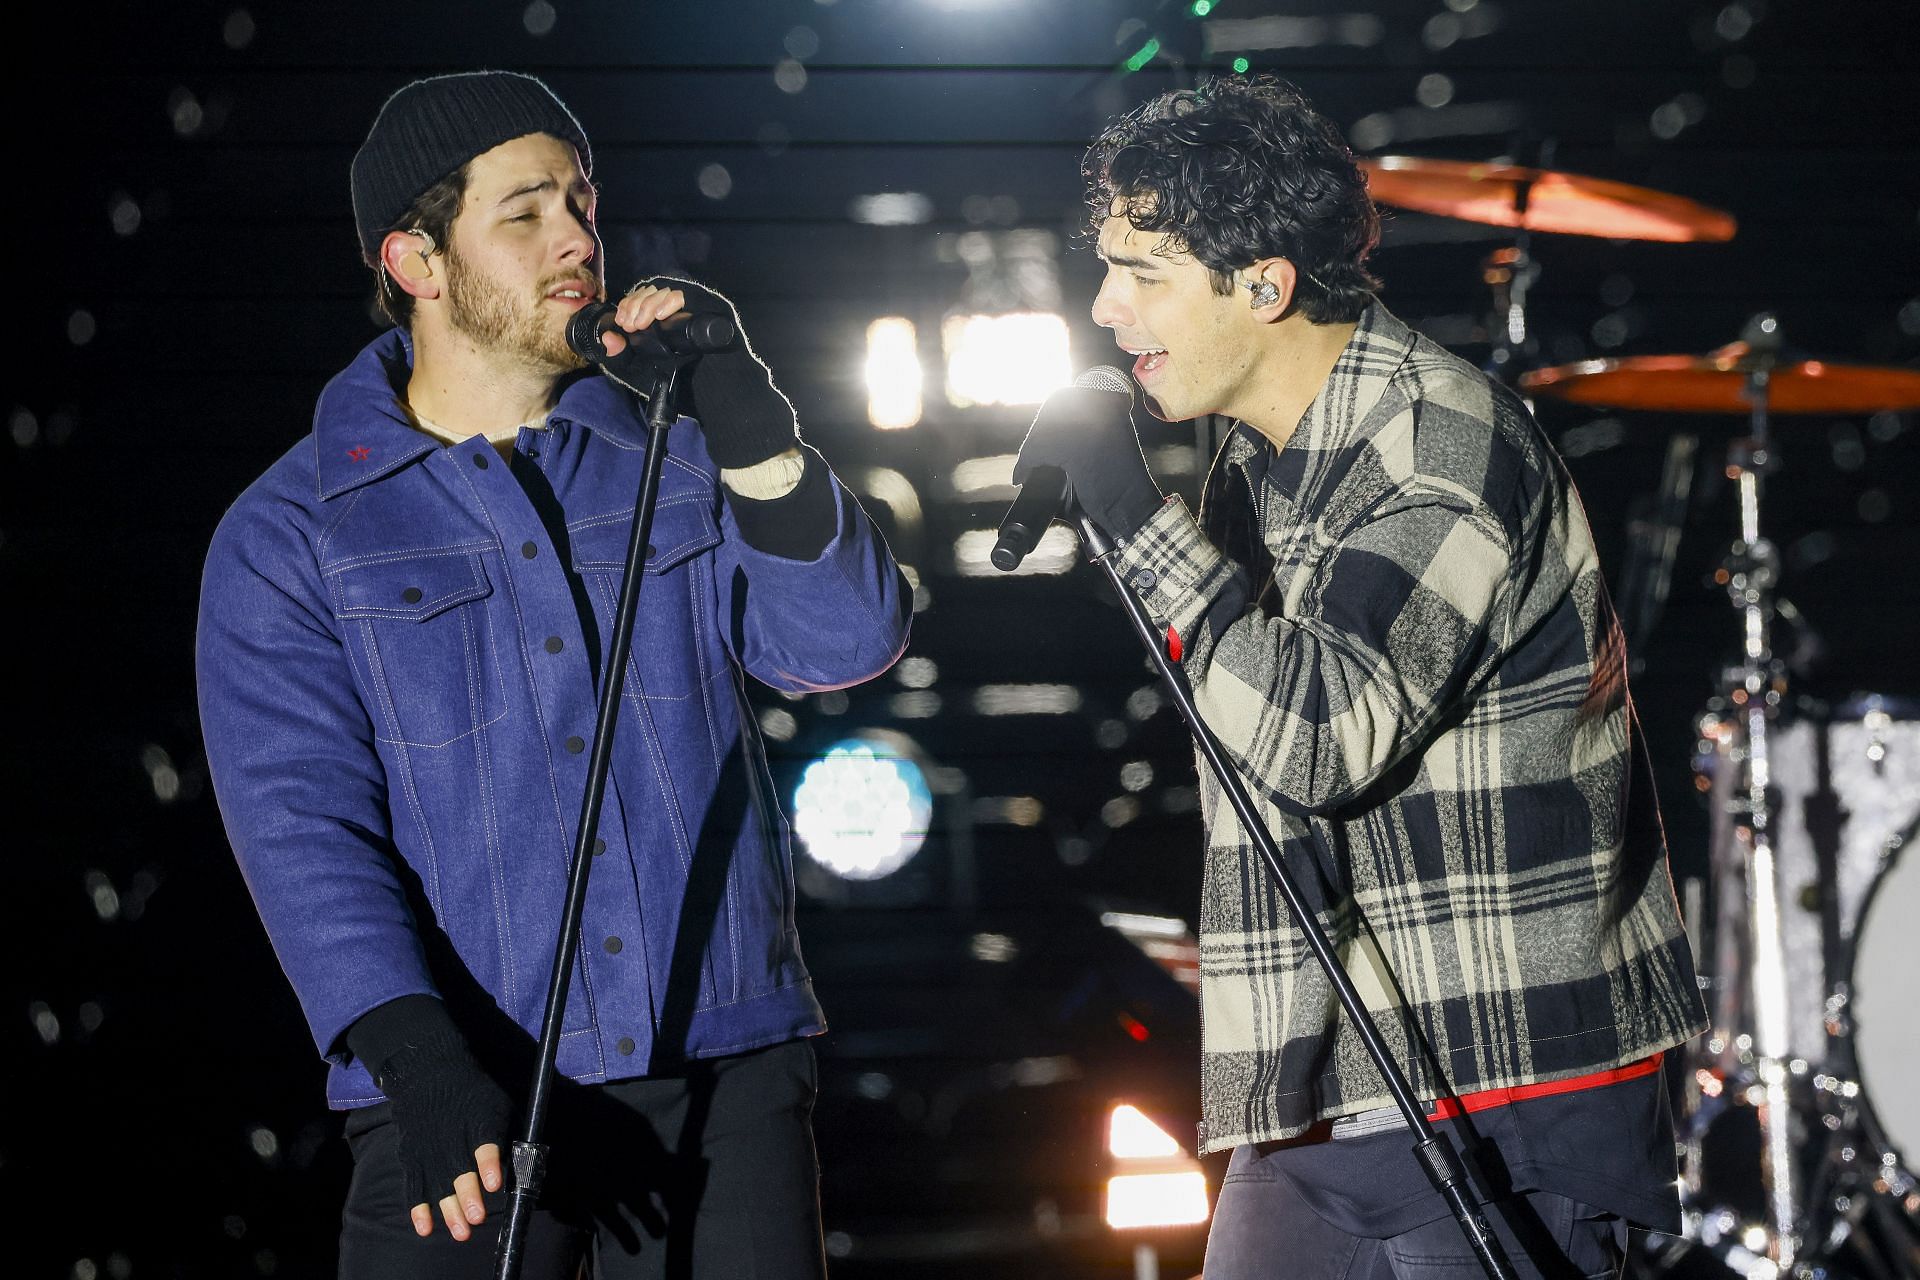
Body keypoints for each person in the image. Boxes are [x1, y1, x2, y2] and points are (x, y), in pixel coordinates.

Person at [197, 70, 910, 1278]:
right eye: (523, 211)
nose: (578, 236)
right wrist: (414, 1052)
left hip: (720, 1062)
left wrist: (752, 424)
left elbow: (843, 642)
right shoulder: (297, 531)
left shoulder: (681, 461)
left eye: (582, 201)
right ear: (418, 263)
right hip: (469, 1086)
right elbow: (297, 819)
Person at [1014, 75, 1707, 1279]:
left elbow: (1326, 730)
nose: (1104, 305)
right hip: (1336, 1067)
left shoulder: (1446, 443)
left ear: (1266, 284)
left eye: (1143, 272)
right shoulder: (1261, 458)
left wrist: (1130, 509)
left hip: (1500, 1077)